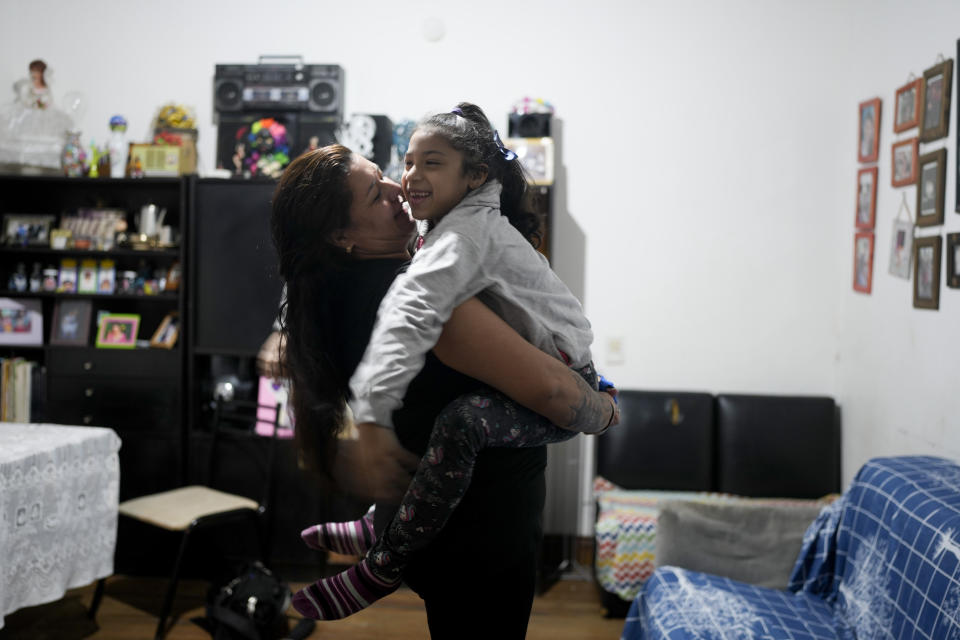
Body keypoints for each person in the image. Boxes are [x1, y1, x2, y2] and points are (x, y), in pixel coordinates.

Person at [271, 144, 616, 637]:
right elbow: (553, 394)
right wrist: (603, 408)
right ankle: (382, 550)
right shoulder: (418, 297)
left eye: (387, 175)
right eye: (375, 194)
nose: (399, 189)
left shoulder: (339, 292)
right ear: (341, 235)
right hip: (477, 542)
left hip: (444, 531)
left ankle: (380, 527)